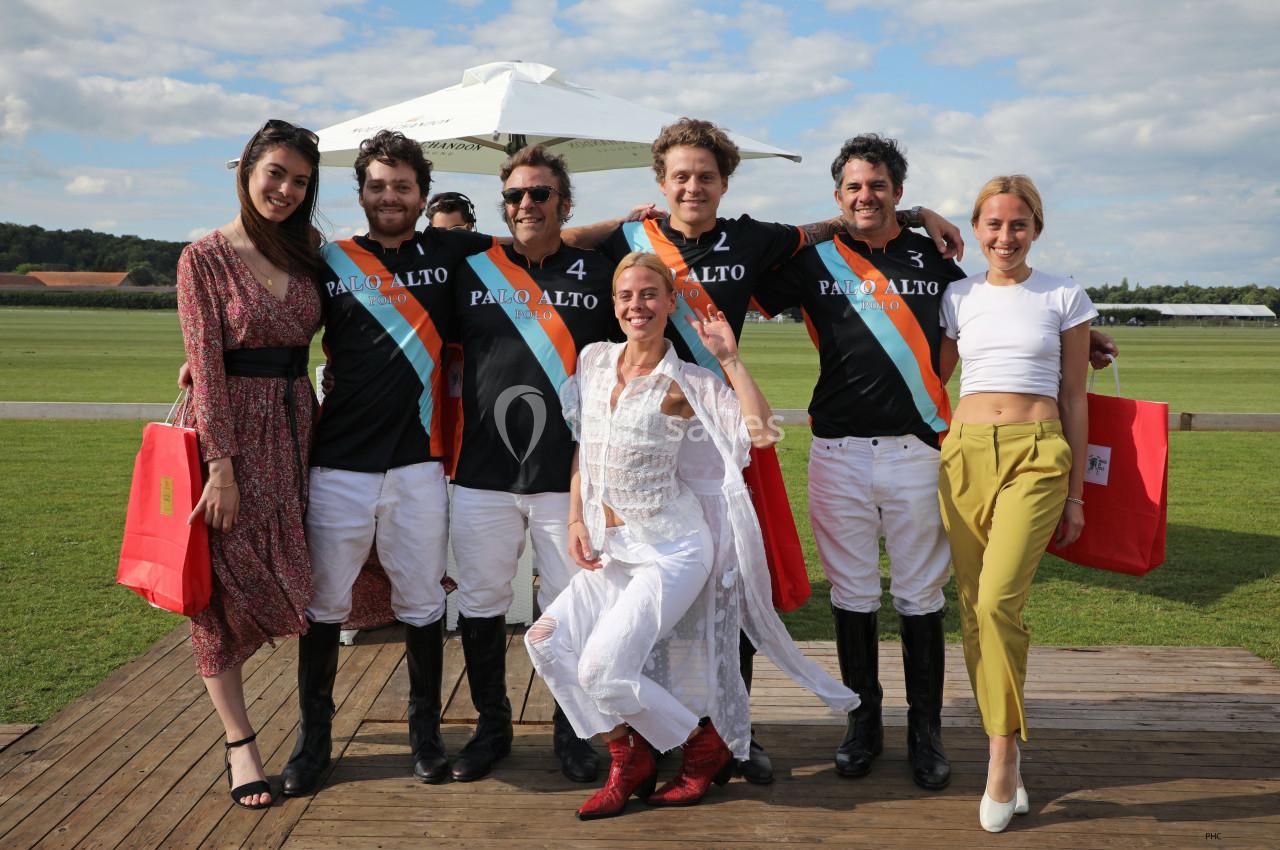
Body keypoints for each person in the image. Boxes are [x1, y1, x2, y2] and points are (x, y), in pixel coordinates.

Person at [583, 117, 964, 785]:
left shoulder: (908, 251)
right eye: (681, 175)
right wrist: (623, 215)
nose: (693, 185)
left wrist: (924, 213)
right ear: (662, 182)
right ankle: (684, 737)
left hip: (814, 447)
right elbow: (557, 246)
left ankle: (900, 735)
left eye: (706, 175)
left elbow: (971, 315)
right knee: (665, 594)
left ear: (726, 181)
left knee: (754, 593)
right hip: (681, 448)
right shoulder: (640, 238)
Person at [756, 135, 1119, 795]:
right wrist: (910, 211)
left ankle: (925, 734)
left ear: (897, 190)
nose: (866, 197)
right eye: (853, 189)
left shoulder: (938, 258)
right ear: (838, 197)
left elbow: (1005, 303)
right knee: (853, 595)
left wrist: (1079, 335)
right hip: (836, 451)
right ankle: (863, 726)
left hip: (922, 451)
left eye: (880, 187)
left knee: (922, 597)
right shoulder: (812, 262)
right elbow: (738, 285)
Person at [526, 252, 859, 820]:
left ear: (670, 303)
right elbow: (586, 445)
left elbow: (762, 433)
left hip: (671, 551)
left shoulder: (686, 383)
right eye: (627, 295)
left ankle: (702, 740)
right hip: (612, 549)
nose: (638, 306)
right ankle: (626, 756)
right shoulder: (595, 360)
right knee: (545, 642)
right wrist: (579, 519)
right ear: (614, 304)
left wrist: (729, 358)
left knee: (602, 671)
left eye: (651, 295)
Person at [280, 130, 495, 796]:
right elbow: (275, 323)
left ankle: (424, 737)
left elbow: (537, 245)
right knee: (323, 607)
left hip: (419, 466)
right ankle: (313, 743)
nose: (390, 196)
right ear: (362, 192)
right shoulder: (331, 258)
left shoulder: (454, 249)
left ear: (422, 194)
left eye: (402, 186)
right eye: (377, 185)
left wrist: (636, 222)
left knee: (423, 604)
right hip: (337, 465)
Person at [446, 144, 622, 784]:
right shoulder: (472, 268)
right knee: (482, 603)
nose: (525, 205)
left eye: (539, 194)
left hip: (567, 480)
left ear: (564, 204)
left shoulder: (600, 272)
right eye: (515, 196)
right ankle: (490, 728)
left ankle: (572, 732)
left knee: (572, 608)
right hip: (482, 476)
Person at [936, 175, 1094, 833]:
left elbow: (1077, 396)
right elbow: (930, 376)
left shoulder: (1064, 295)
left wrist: (1078, 493)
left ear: (1036, 229)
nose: (1005, 236)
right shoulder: (957, 295)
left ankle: (1002, 758)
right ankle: (1008, 750)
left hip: (1037, 453)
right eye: (993, 225)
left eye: (1018, 224)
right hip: (964, 453)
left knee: (999, 602)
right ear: (976, 230)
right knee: (975, 613)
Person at [175, 119, 323, 810]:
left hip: (302, 429)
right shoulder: (203, 257)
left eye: (299, 180)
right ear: (247, 171)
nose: (286, 189)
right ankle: (240, 743)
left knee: (307, 575)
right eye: (276, 174)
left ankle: (314, 736)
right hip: (232, 436)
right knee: (219, 591)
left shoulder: (311, 251)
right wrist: (221, 466)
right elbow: (204, 364)